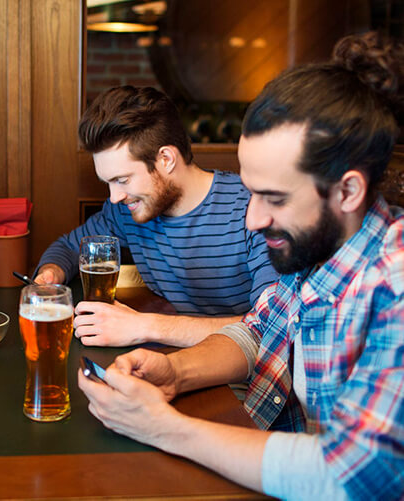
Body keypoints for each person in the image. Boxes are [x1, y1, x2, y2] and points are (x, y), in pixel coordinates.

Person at [78, 32, 403, 500]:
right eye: (251, 191)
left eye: (274, 197)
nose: (252, 218)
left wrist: (165, 428)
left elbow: (348, 477)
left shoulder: (395, 284)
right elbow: (258, 331)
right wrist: (176, 372)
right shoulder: (319, 247)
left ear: (348, 192)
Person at [35, 86, 277, 347]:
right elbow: (69, 248)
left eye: (122, 179)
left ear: (166, 159)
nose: (114, 196)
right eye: (108, 182)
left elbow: (271, 326)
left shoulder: (254, 210)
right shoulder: (126, 210)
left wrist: (143, 325)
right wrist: (50, 274)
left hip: (245, 377)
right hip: (174, 360)